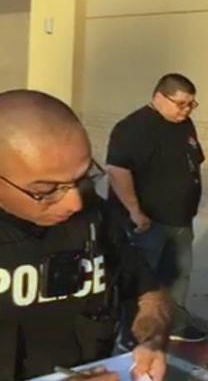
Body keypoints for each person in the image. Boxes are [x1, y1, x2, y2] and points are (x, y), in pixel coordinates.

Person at [0, 90, 171, 380]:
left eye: (82, 178)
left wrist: (152, 341)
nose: (74, 203)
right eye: (46, 191)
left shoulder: (96, 216)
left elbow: (148, 293)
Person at [106, 73, 206, 345]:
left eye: (191, 105)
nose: (186, 110)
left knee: (178, 275)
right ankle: (134, 332)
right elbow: (117, 171)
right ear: (159, 97)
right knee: (142, 279)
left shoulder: (184, 125)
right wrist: (135, 211)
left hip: (180, 219)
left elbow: (192, 161)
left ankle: (175, 323)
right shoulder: (133, 128)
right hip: (148, 221)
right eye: (181, 104)